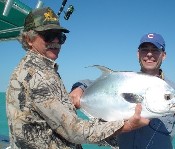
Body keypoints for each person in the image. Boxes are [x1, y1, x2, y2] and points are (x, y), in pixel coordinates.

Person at [6, 7, 149, 149]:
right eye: (48, 35)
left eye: (60, 36)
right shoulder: (37, 75)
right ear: (28, 39)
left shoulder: (38, 69)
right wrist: (126, 126)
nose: (56, 41)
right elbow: (73, 130)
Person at [70, 33, 175, 148]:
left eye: (155, 50)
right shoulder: (125, 80)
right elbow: (97, 84)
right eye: (144, 49)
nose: (149, 54)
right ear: (138, 54)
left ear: (163, 55)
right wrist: (79, 87)